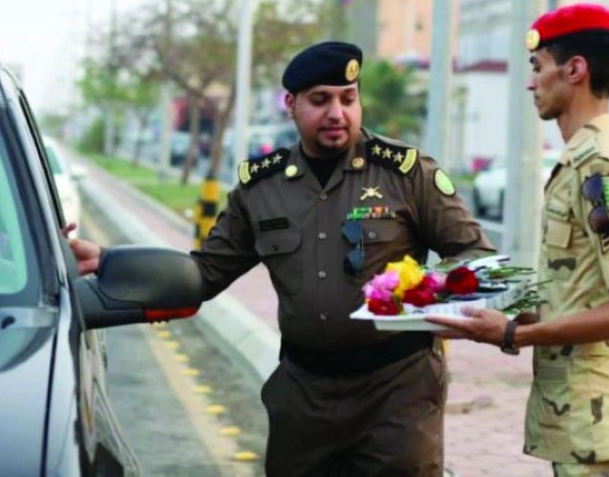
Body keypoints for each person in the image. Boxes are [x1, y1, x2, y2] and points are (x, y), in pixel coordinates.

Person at [67, 41, 495, 476]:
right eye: (320, 100)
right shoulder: (261, 188)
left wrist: (421, 296)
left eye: (348, 99)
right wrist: (107, 260)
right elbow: (205, 272)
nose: (337, 113)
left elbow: (475, 254)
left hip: (396, 393)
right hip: (303, 395)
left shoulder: (406, 174)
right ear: (290, 104)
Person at [428, 3, 609, 477]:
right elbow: (578, 290)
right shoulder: (582, 158)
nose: (531, 83)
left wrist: (513, 334)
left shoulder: (600, 165)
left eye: (538, 67)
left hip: (593, 410)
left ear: (574, 70)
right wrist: (476, 308)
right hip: (572, 409)